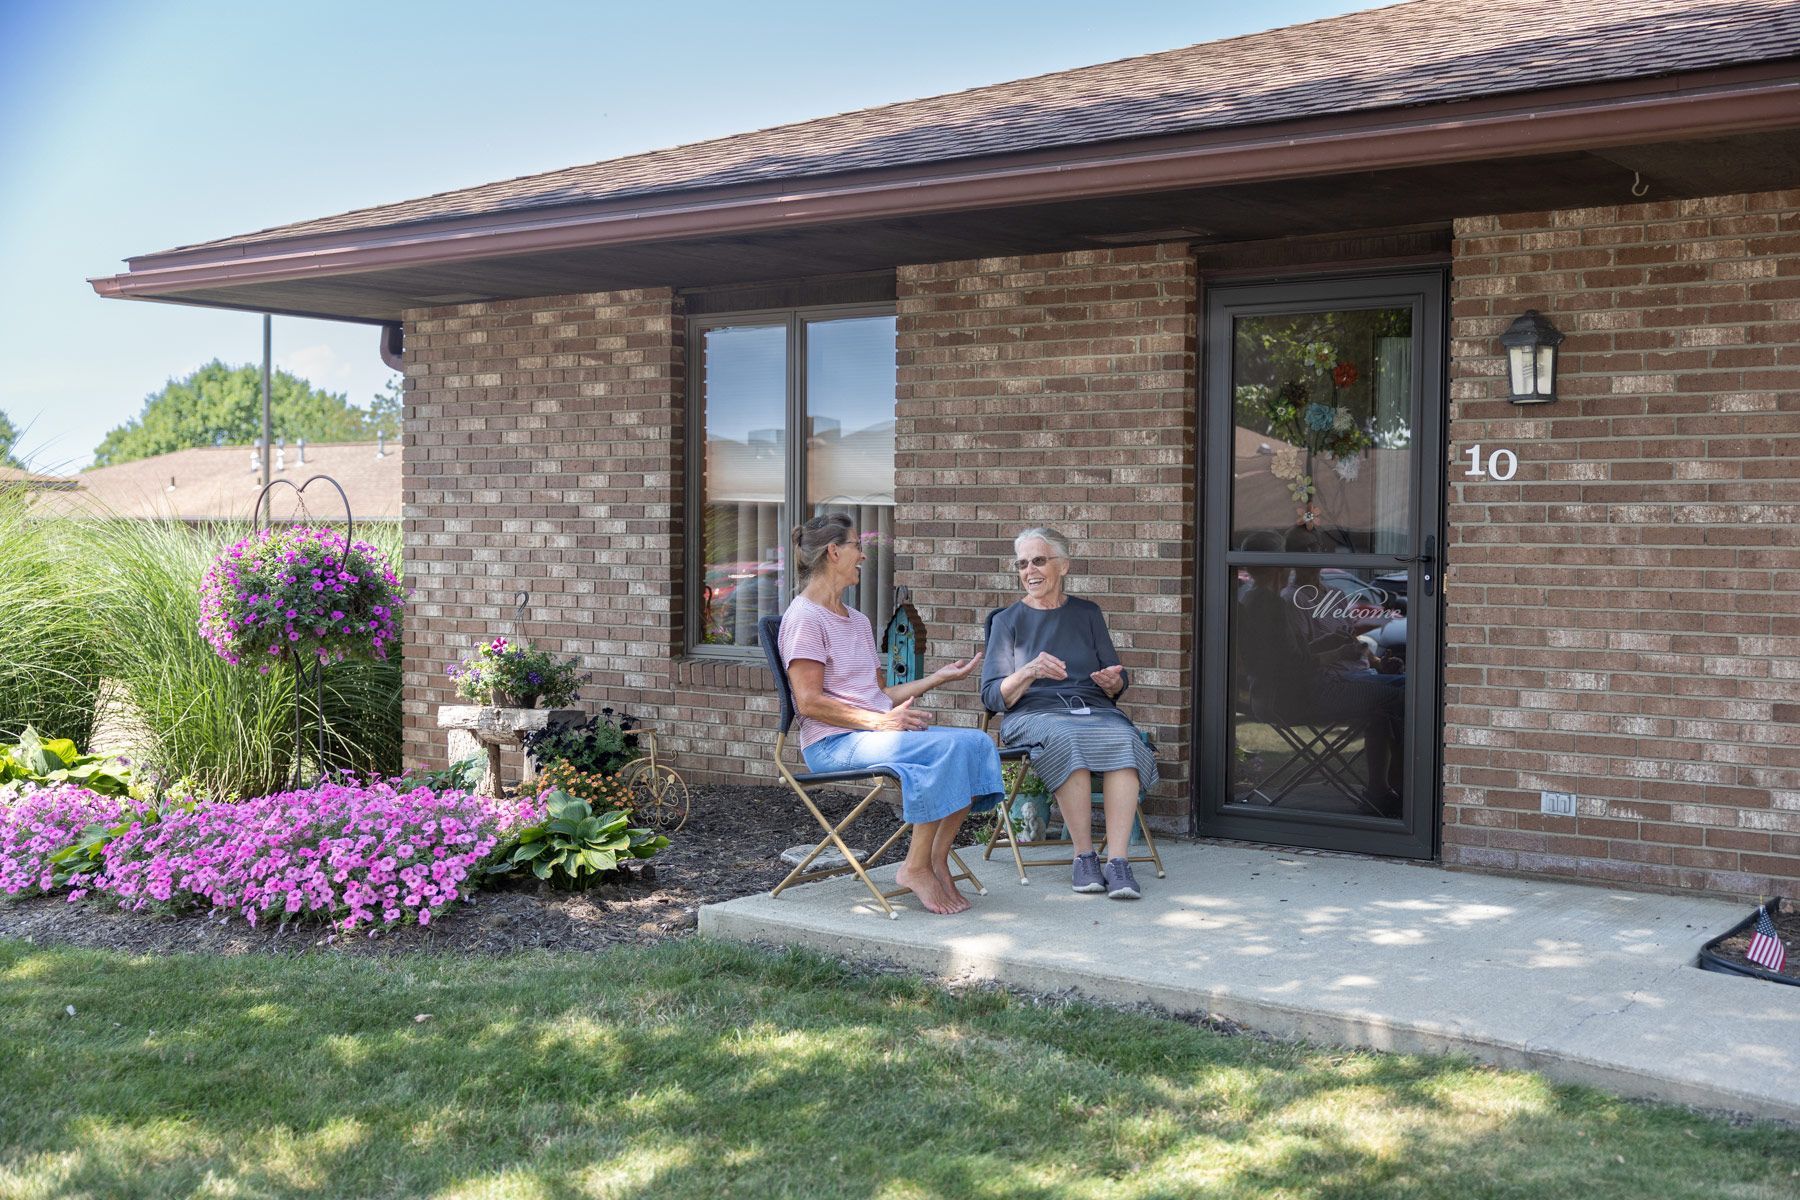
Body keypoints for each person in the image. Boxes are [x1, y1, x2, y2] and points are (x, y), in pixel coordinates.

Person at [779, 512, 1003, 915]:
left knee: (972, 742)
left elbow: (878, 693)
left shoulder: (859, 621)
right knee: (940, 752)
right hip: (832, 742)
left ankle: (936, 858)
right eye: (857, 547)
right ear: (834, 552)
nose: (863, 556)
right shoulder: (804, 619)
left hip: (873, 732)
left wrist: (937, 678)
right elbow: (808, 702)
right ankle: (914, 867)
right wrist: (882, 722)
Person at [980, 527, 1159, 900]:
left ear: (1063, 566)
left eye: (1039, 560)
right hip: (1033, 714)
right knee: (1067, 737)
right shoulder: (1007, 621)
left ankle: (1119, 862)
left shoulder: (1087, 613)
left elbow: (1115, 679)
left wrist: (1112, 681)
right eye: (1022, 563)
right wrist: (1028, 671)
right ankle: (1084, 857)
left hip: (1092, 709)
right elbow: (992, 696)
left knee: (1123, 737)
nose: (1030, 570)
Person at [1236, 529, 1404, 811]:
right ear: (1280, 563)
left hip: (1279, 695)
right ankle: (1394, 792)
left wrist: (1334, 645)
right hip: (1296, 697)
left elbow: (1290, 656)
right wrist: (1336, 652)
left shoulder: (1256, 601)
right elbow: (1292, 665)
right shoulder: (1274, 605)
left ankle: (1386, 790)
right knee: (1406, 695)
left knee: (1395, 697)